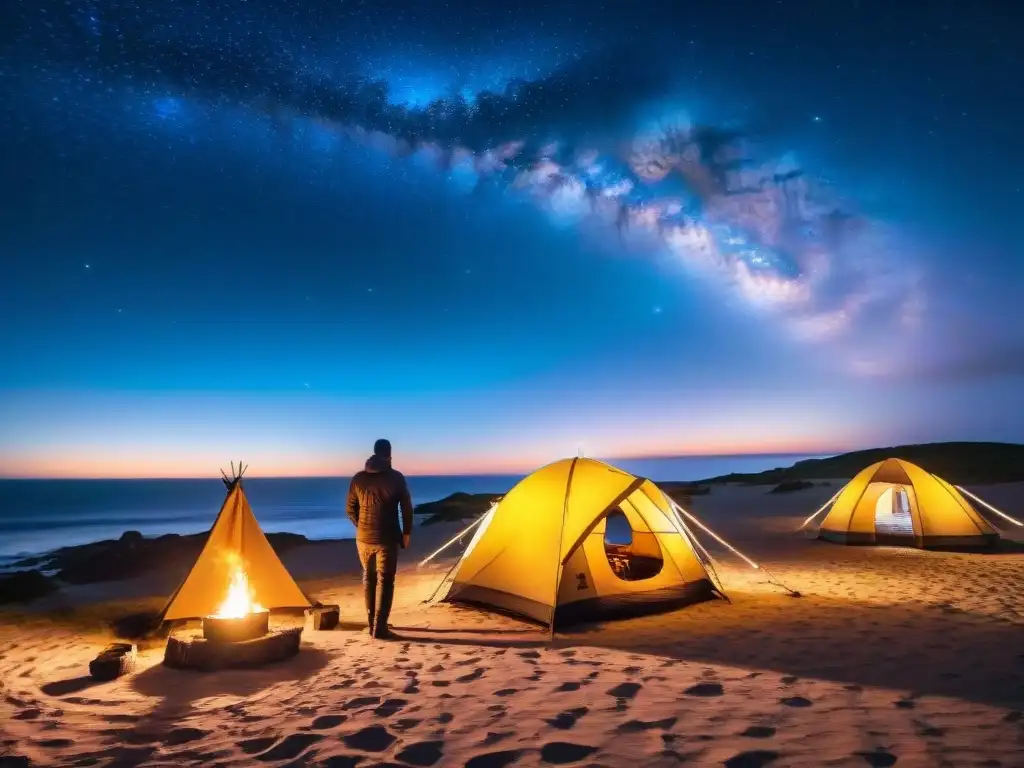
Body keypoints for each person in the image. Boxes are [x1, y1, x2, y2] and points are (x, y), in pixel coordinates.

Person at [346, 438, 414, 640]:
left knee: (369, 577)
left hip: (363, 539)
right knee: (386, 580)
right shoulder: (396, 478)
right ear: (389, 454)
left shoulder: (358, 478)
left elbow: (350, 509)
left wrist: (363, 527)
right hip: (387, 537)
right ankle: (380, 627)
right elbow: (407, 507)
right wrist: (406, 533)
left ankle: (371, 624)